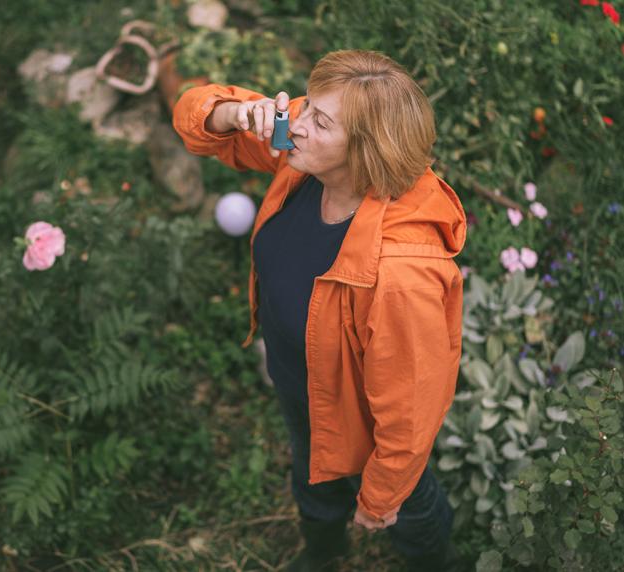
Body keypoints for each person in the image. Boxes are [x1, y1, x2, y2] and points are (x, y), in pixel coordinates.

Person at [172, 49, 466, 571]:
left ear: (367, 152)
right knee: (310, 469)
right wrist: (234, 114)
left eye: (319, 120)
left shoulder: (401, 273)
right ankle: (322, 552)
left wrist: (379, 497)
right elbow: (192, 116)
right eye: (305, 109)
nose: (297, 122)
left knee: (412, 512)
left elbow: (410, 409)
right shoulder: (308, 156)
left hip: (361, 419)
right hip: (301, 382)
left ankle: (437, 560)